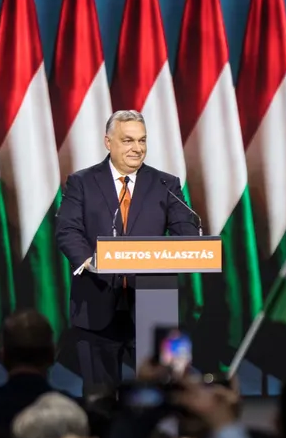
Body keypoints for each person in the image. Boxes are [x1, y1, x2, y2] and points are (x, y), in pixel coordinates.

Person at [55, 110, 198, 394]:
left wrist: (192, 242)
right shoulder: (82, 182)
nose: (137, 148)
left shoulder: (165, 184)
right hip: (96, 303)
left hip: (153, 305)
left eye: (142, 140)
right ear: (108, 142)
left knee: (159, 394)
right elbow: (67, 230)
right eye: (128, 140)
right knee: (99, 396)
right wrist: (89, 261)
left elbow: (186, 233)